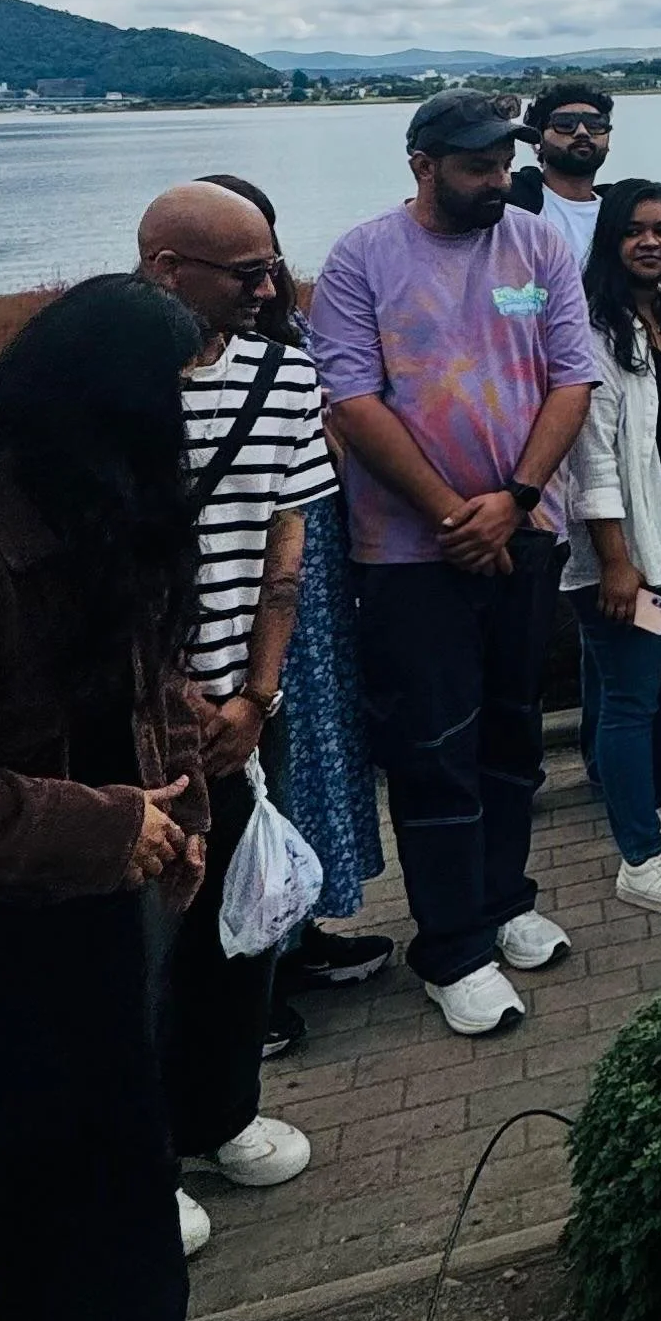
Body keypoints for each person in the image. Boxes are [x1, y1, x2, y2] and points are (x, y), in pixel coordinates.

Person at [307, 91, 595, 1037]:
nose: (498, 180)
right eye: (477, 166)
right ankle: (451, 946)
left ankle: (507, 899)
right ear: (422, 164)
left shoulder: (536, 244)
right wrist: (448, 515)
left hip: (524, 527)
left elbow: (572, 377)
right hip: (408, 552)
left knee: (511, 730)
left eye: (502, 163)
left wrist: (512, 501)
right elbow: (351, 401)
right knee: (434, 745)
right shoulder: (361, 258)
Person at [0, 279, 216, 1321]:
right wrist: (105, 825)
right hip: (27, 887)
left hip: (82, 879)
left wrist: (180, 804)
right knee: (68, 1142)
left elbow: (147, 676)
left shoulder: (82, 496)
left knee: (94, 1130)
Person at [135, 184, 328, 1212]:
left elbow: (284, 550)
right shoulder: (115, 382)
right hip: (133, 719)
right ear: (167, 270)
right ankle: (137, 1160)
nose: (269, 287)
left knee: (232, 932)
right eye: (244, 273)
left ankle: (219, 1112)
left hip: (244, 710)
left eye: (272, 266)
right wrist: (170, 700)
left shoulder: (287, 373)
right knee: (138, 951)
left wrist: (256, 696)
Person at [198, 177, 392, 1003]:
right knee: (248, 771)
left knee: (314, 758)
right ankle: (246, 972)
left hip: (312, 583)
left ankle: (297, 927)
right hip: (241, 595)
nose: (264, 283)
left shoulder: (295, 336)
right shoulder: (175, 362)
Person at [563, 179, 661, 920]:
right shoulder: (593, 326)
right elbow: (594, 453)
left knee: (658, 684)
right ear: (611, 242)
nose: (652, 242)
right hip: (628, 529)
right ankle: (638, 858)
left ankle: (654, 811)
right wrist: (616, 560)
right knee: (629, 695)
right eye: (634, 231)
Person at [511, 81, 615, 264]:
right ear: (538, 142)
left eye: (595, 124)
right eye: (565, 123)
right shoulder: (511, 203)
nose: (582, 132)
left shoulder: (622, 210)